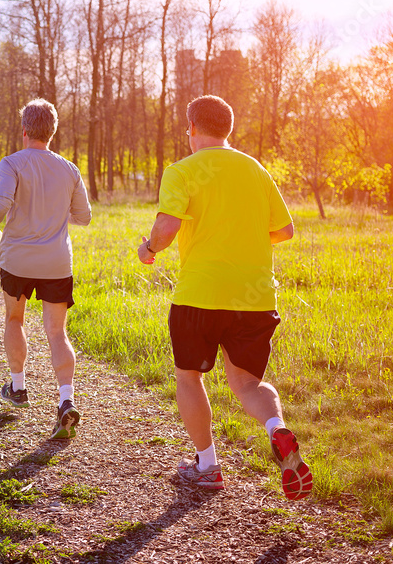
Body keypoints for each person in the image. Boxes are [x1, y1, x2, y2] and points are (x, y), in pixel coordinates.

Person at [136, 94, 312, 500]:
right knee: (249, 383)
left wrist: (150, 250)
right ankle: (277, 430)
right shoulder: (255, 168)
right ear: (227, 129)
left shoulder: (181, 170)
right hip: (254, 298)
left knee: (189, 376)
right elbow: (285, 230)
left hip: (200, 294)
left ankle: (208, 465)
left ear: (193, 128)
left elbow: (166, 226)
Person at [0, 99, 92, 440]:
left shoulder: (12, 163)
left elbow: (1, 202)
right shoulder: (69, 169)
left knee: (15, 319)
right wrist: (58, 214)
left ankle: (18, 388)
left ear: (25, 129)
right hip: (57, 261)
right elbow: (84, 216)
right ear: (53, 131)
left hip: (18, 259)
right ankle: (66, 400)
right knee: (57, 332)